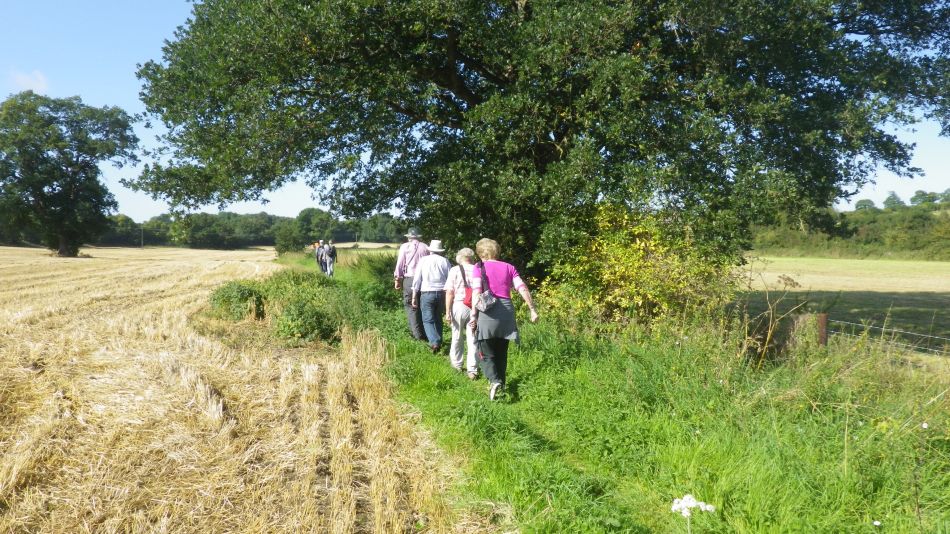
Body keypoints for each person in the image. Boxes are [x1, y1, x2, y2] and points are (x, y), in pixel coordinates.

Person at [469, 238, 539, 400]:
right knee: (501, 352)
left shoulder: (478, 267)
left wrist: (473, 315)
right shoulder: (509, 267)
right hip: (507, 312)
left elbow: (476, 292)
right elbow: (522, 287)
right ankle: (501, 385)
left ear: (481, 253)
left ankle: (494, 381)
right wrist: (532, 309)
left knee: (484, 351)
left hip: (488, 312)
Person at [444, 247, 478, 378]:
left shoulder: (454, 270)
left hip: (459, 304)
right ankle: (472, 369)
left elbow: (449, 292)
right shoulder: (478, 269)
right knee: (473, 337)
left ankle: (457, 365)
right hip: (475, 306)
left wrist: (447, 311)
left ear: (459, 257)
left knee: (457, 335)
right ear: (471, 257)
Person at [412, 240, 451, 353]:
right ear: (440, 251)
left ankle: (434, 342)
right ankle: (438, 341)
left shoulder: (423, 260)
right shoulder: (445, 261)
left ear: (430, 250)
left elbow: (417, 279)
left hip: (427, 292)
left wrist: (414, 296)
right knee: (438, 318)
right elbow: (450, 279)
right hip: (441, 293)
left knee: (427, 320)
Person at [393, 227, 429, 340]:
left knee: (411, 306)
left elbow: (400, 264)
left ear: (409, 237)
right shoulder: (425, 247)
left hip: (410, 279)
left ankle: (417, 336)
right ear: (419, 237)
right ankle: (426, 333)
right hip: (423, 280)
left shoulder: (405, 247)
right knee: (422, 306)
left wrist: (397, 279)